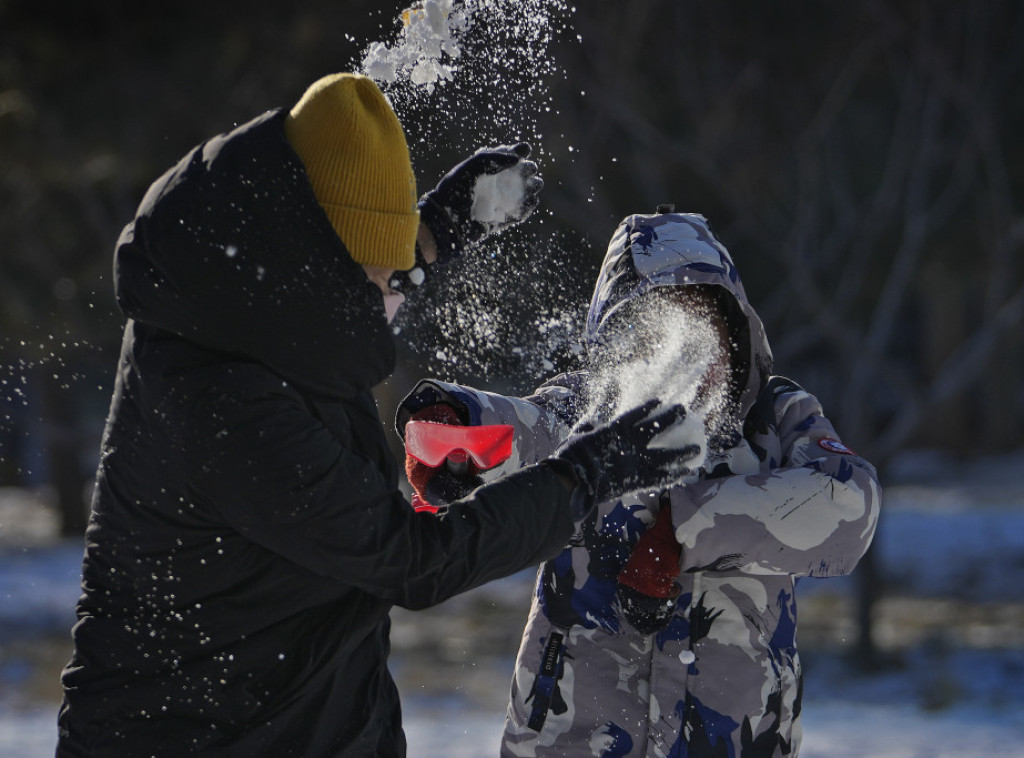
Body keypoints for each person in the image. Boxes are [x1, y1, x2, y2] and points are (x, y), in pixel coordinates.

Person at [54, 75, 700, 757]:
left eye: (395, 275)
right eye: (376, 280)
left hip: (301, 722)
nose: (391, 300)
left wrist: (434, 231)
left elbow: (340, 263)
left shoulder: (244, 295)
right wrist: (583, 477)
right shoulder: (225, 404)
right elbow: (413, 560)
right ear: (317, 268)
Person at [396, 208, 882, 757]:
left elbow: (851, 506)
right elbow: (527, 428)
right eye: (654, 335)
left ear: (734, 334)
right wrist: (459, 428)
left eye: (702, 330)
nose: (686, 359)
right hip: (573, 740)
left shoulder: (774, 418)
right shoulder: (591, 411)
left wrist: (683, 529)